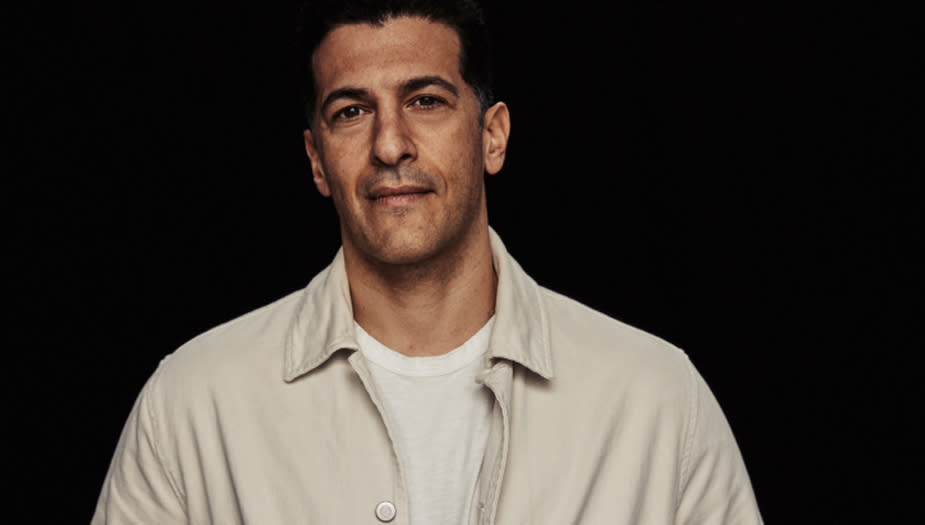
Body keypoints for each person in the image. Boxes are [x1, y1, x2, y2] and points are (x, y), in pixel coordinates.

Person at [93, 1, 762, 523]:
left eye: (426, 101)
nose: (390, 144)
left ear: (492, 134)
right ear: (316, 160)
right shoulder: (191, 404)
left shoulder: (656, 399)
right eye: (351, 111)